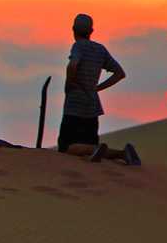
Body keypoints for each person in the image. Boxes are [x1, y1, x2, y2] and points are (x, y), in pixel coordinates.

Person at [59, 13, 141, 165]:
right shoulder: (100, 50)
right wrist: (96, 88)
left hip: (75, 105)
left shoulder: (78, 46)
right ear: (91, 31)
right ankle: (123, 154)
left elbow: (73, 65)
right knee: (91, 145)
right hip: (92, 106)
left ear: (73, 29)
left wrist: (69, 84)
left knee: (66, 148)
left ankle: (99, 152)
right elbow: (120, 73)